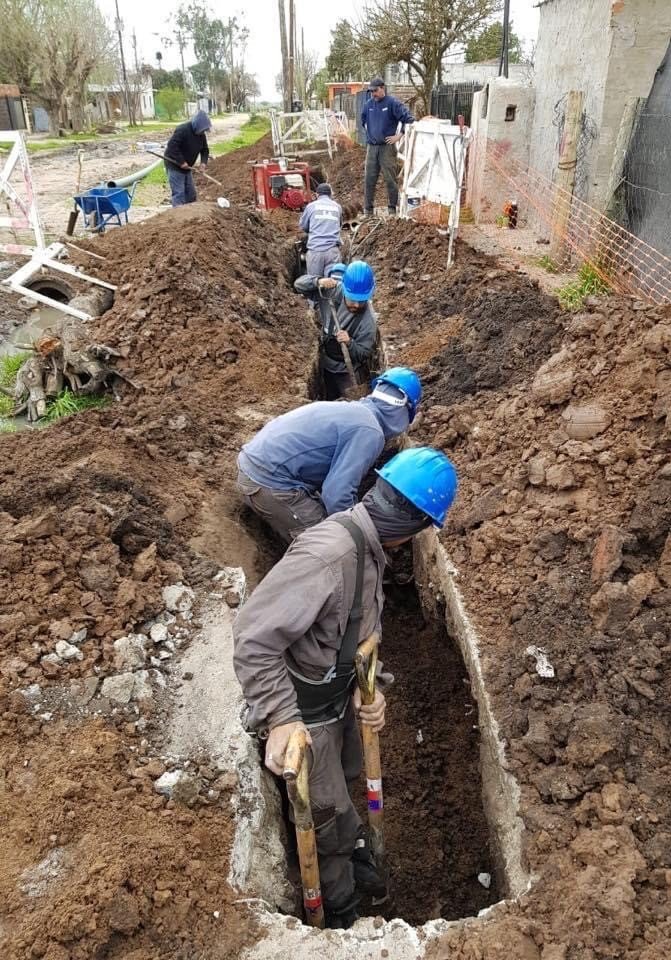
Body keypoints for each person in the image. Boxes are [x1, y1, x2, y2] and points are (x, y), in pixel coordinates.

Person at [233, 446, 458, 929]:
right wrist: (282, 718)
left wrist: (372, 688)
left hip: (339, 695)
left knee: (351, 771)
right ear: (416, 527)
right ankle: (336, 909)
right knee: (326, 815)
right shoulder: (329, 555)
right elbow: (253, 638)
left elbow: (360, 630)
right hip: (304, 709)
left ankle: (352, 843)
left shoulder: (368, 548)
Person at [236, 367, 422, 543]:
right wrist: (360, 534)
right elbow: (337, 495)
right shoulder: (370, 432)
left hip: (255, 467)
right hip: (267, 482)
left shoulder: (353, 412)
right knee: (333, 542)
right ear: (403, 412)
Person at [294, 260, 377, 400]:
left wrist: (350, 343)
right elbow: (298, 285)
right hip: (325, 363)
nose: (357, 305)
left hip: (346, 372)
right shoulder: (332, 291)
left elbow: (364, 353)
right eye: (353, 299)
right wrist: (317, 282)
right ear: (344, 289)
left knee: (351, 405)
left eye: (361, 301)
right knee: (328, 398)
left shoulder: (368, 321)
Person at [360, 78, 415, 218]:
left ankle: (392, 209)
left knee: (390, 179)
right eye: (371, 91)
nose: (373, 94)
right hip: (372, 148)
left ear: (382, 88)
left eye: (375, 91)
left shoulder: (392, 103)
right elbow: (363, 121)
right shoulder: (368, 105)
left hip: (387, 148)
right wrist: (371, 134)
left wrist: (399, 135)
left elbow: (408, 119)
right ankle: (368, 210)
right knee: (369, 179)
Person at [163, 110, 212, 207]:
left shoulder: (201, 135)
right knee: (179, 193)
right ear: (196, 125)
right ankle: (179, 216)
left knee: (191, 195)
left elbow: (205, 150)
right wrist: (181, 162)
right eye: (202, 130)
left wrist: (203, 163)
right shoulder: (183, 130)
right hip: (175, 166)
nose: (203, 132)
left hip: (187, 167)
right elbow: (172, 147)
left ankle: (190, 216)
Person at [299, 183, 343, 278]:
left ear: (317, 194)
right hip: (333, 251)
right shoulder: (337, 207)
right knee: (333, 283)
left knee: (315, 283)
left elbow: (303, 226)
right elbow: (339, 225)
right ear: (330, 195)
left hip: (315, 251)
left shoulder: (311, 206)